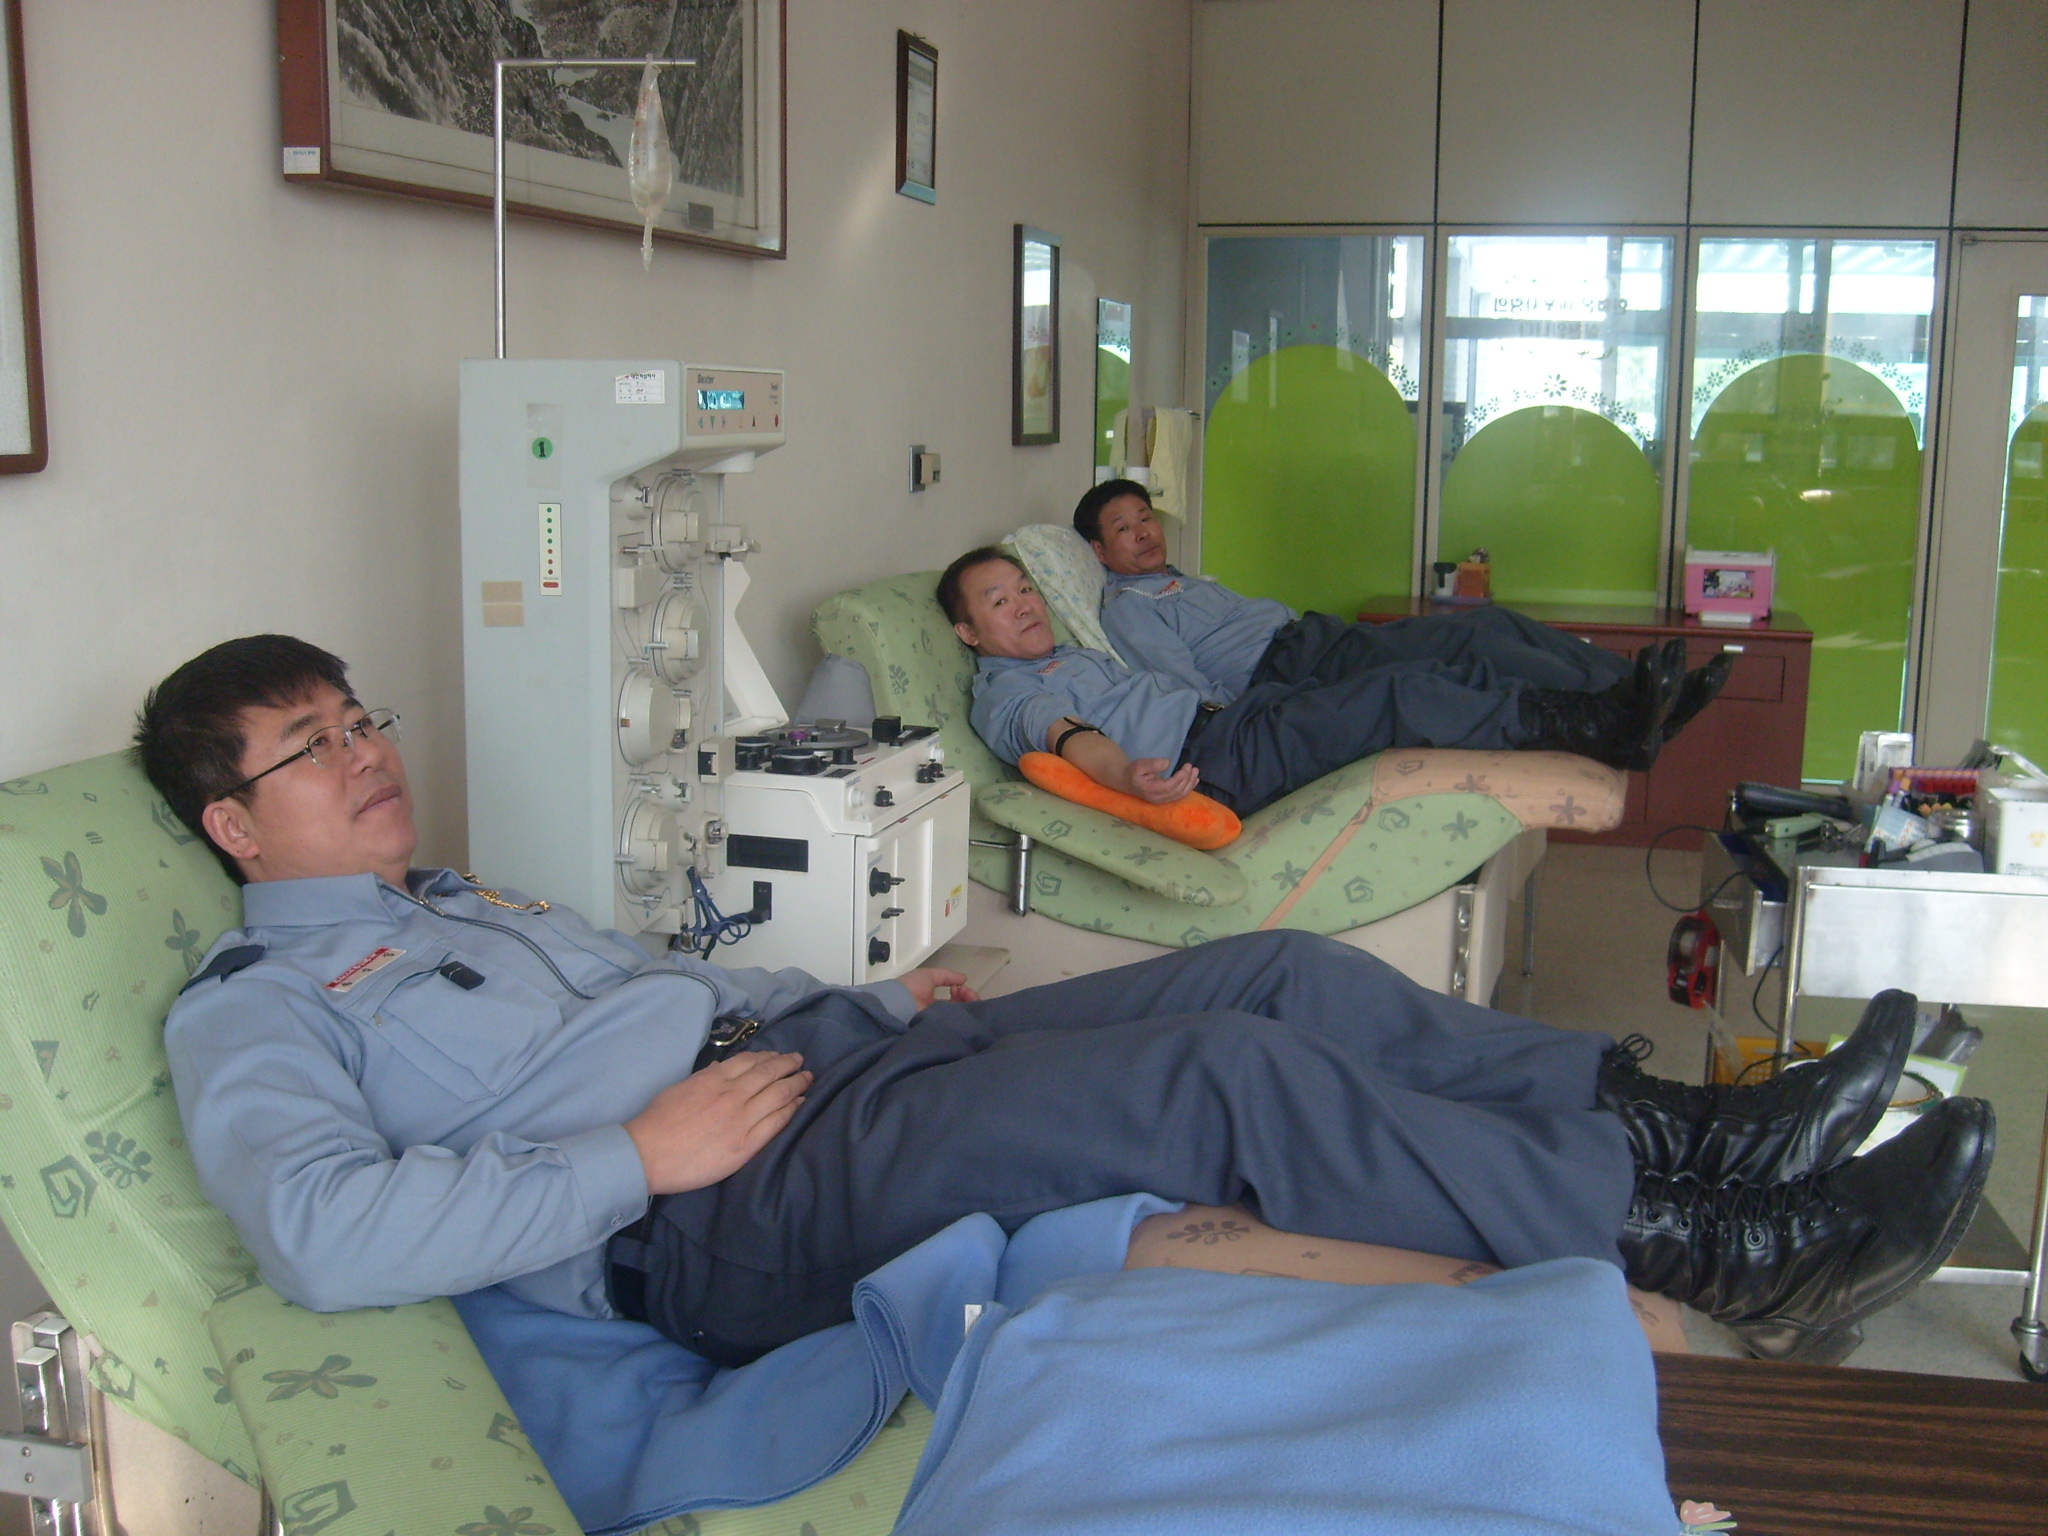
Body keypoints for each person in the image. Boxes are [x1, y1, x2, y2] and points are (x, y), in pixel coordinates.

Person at [141, 635, 1993, 1371]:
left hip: (824, 1068)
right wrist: (636, 1157)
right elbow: (321, 1231)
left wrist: (862, 995)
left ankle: (1694, 1130)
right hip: (717, 1214)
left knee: (1274, 968)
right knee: (1217, 1077)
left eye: (363, 717)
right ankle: (1712, 1244)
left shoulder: (455, 895)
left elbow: (671, 984)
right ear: (234, 823)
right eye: (315, 745)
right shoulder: (252, 1009)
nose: (369, 752)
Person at [950, 543, 1684, 816]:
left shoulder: (1067, 654)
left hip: (1237, 722)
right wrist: (1125, 776)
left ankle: (1623, 709)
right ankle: (1596, 728)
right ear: (967, 632)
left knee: (1431, 669)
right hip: (1210, 763)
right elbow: (1062, 736)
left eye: (1026, 589)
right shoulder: (1004, 691)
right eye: (999, 601)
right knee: (1399, 695)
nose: (1025, 605)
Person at [1076, 477, 1733, 769]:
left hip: (1317, 638)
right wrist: (1274, 709)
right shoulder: (1130, 606)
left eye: (1145, 518)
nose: (1143, 533)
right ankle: (1625, 712)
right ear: (1101, 553)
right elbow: (1187, 689)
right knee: (1472, 642)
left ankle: (1638, 694)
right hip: (1294, 666)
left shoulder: (1177, 580)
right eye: (1123, 529)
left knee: (1491, 622)